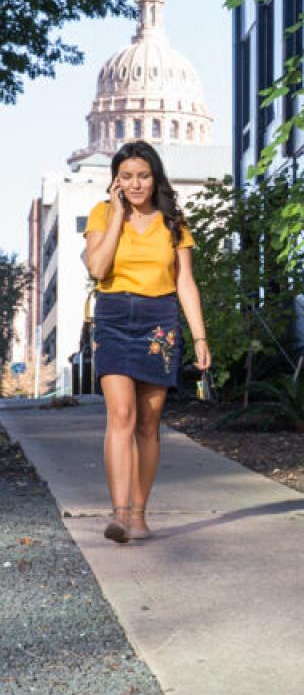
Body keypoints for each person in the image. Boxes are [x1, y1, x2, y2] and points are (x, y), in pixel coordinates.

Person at [83, 141, 211, 543]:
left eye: (142, 175)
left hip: (159, 321)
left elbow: (184, 282)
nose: (135, 184)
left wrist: (200, 334)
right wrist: (118, 215)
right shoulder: (102, 214)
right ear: (115, 181)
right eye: (126, 177)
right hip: (114, 316)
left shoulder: (173, 221)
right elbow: (97, 268)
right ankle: (120, 514)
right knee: (120, 414)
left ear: (154, 177)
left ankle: (139, 514)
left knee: (149, 423)